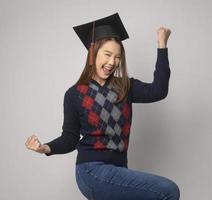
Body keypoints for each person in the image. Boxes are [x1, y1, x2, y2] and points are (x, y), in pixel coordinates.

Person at [25, 13, 180, 200]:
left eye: (117, 57)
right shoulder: (74, 94)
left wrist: (162, 45)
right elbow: (70, 138)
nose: (112, 62)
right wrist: (46, 148)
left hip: (119, 170)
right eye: (107, 55)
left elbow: (159, 91)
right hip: (91, 171)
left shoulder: (125, 87)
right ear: (93, 53)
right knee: (168, 190)